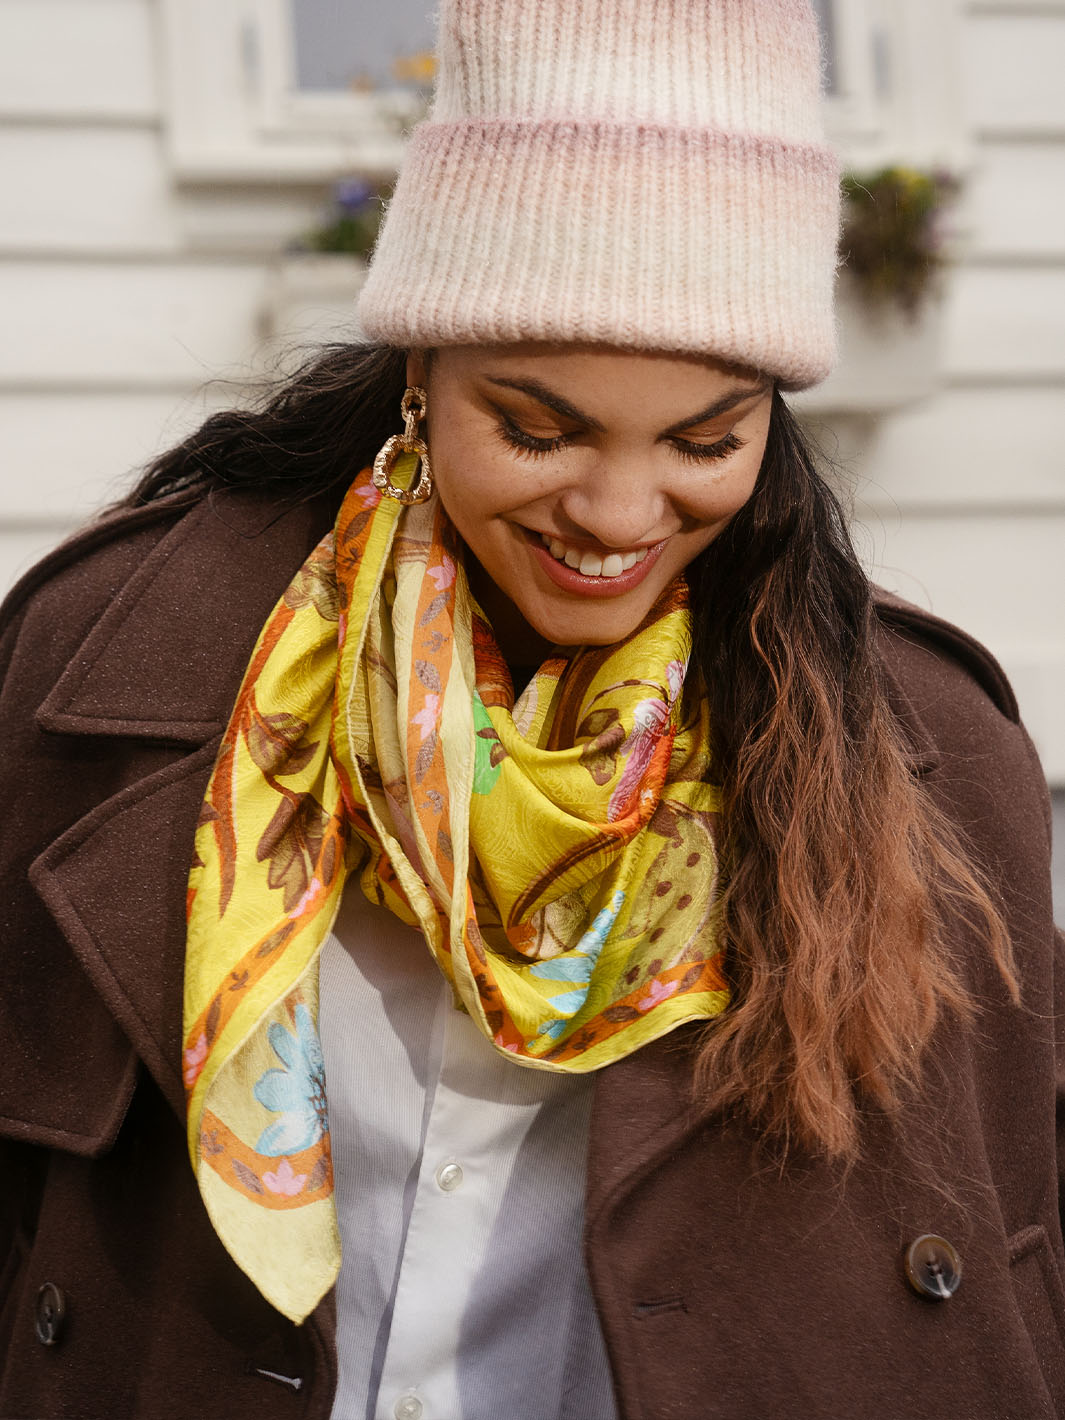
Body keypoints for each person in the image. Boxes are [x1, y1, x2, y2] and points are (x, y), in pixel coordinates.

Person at [0, 1, 1061, 1417]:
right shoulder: (100, 671)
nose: (620, 515)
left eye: (705, 439)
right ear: (419, 377)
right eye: (537, 427)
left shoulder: (939, 765)